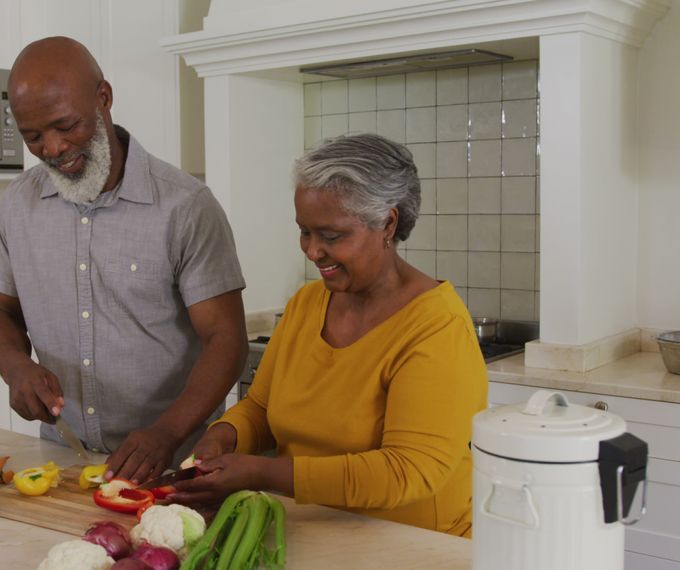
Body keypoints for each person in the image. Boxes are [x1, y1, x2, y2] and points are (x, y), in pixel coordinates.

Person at [170, 133, 488, 537]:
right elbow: (262, 409)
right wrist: (224, 436)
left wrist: (261, 472)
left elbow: (407, 471)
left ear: (387, 223)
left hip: (416, 547)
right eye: (305, 231)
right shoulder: (306, 304)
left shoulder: (436, 327)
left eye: (332, 236)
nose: (312, 251)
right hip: (309, 531)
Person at [0, 37, 248, 484]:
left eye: (66, 125)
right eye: (33, 136)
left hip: (173, 462)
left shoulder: (185, 205)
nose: (52, 148)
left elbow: (227, 340)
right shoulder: (17, 204)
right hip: (61, 459)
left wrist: (166, 432)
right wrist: (16, 368)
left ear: (103, 98)